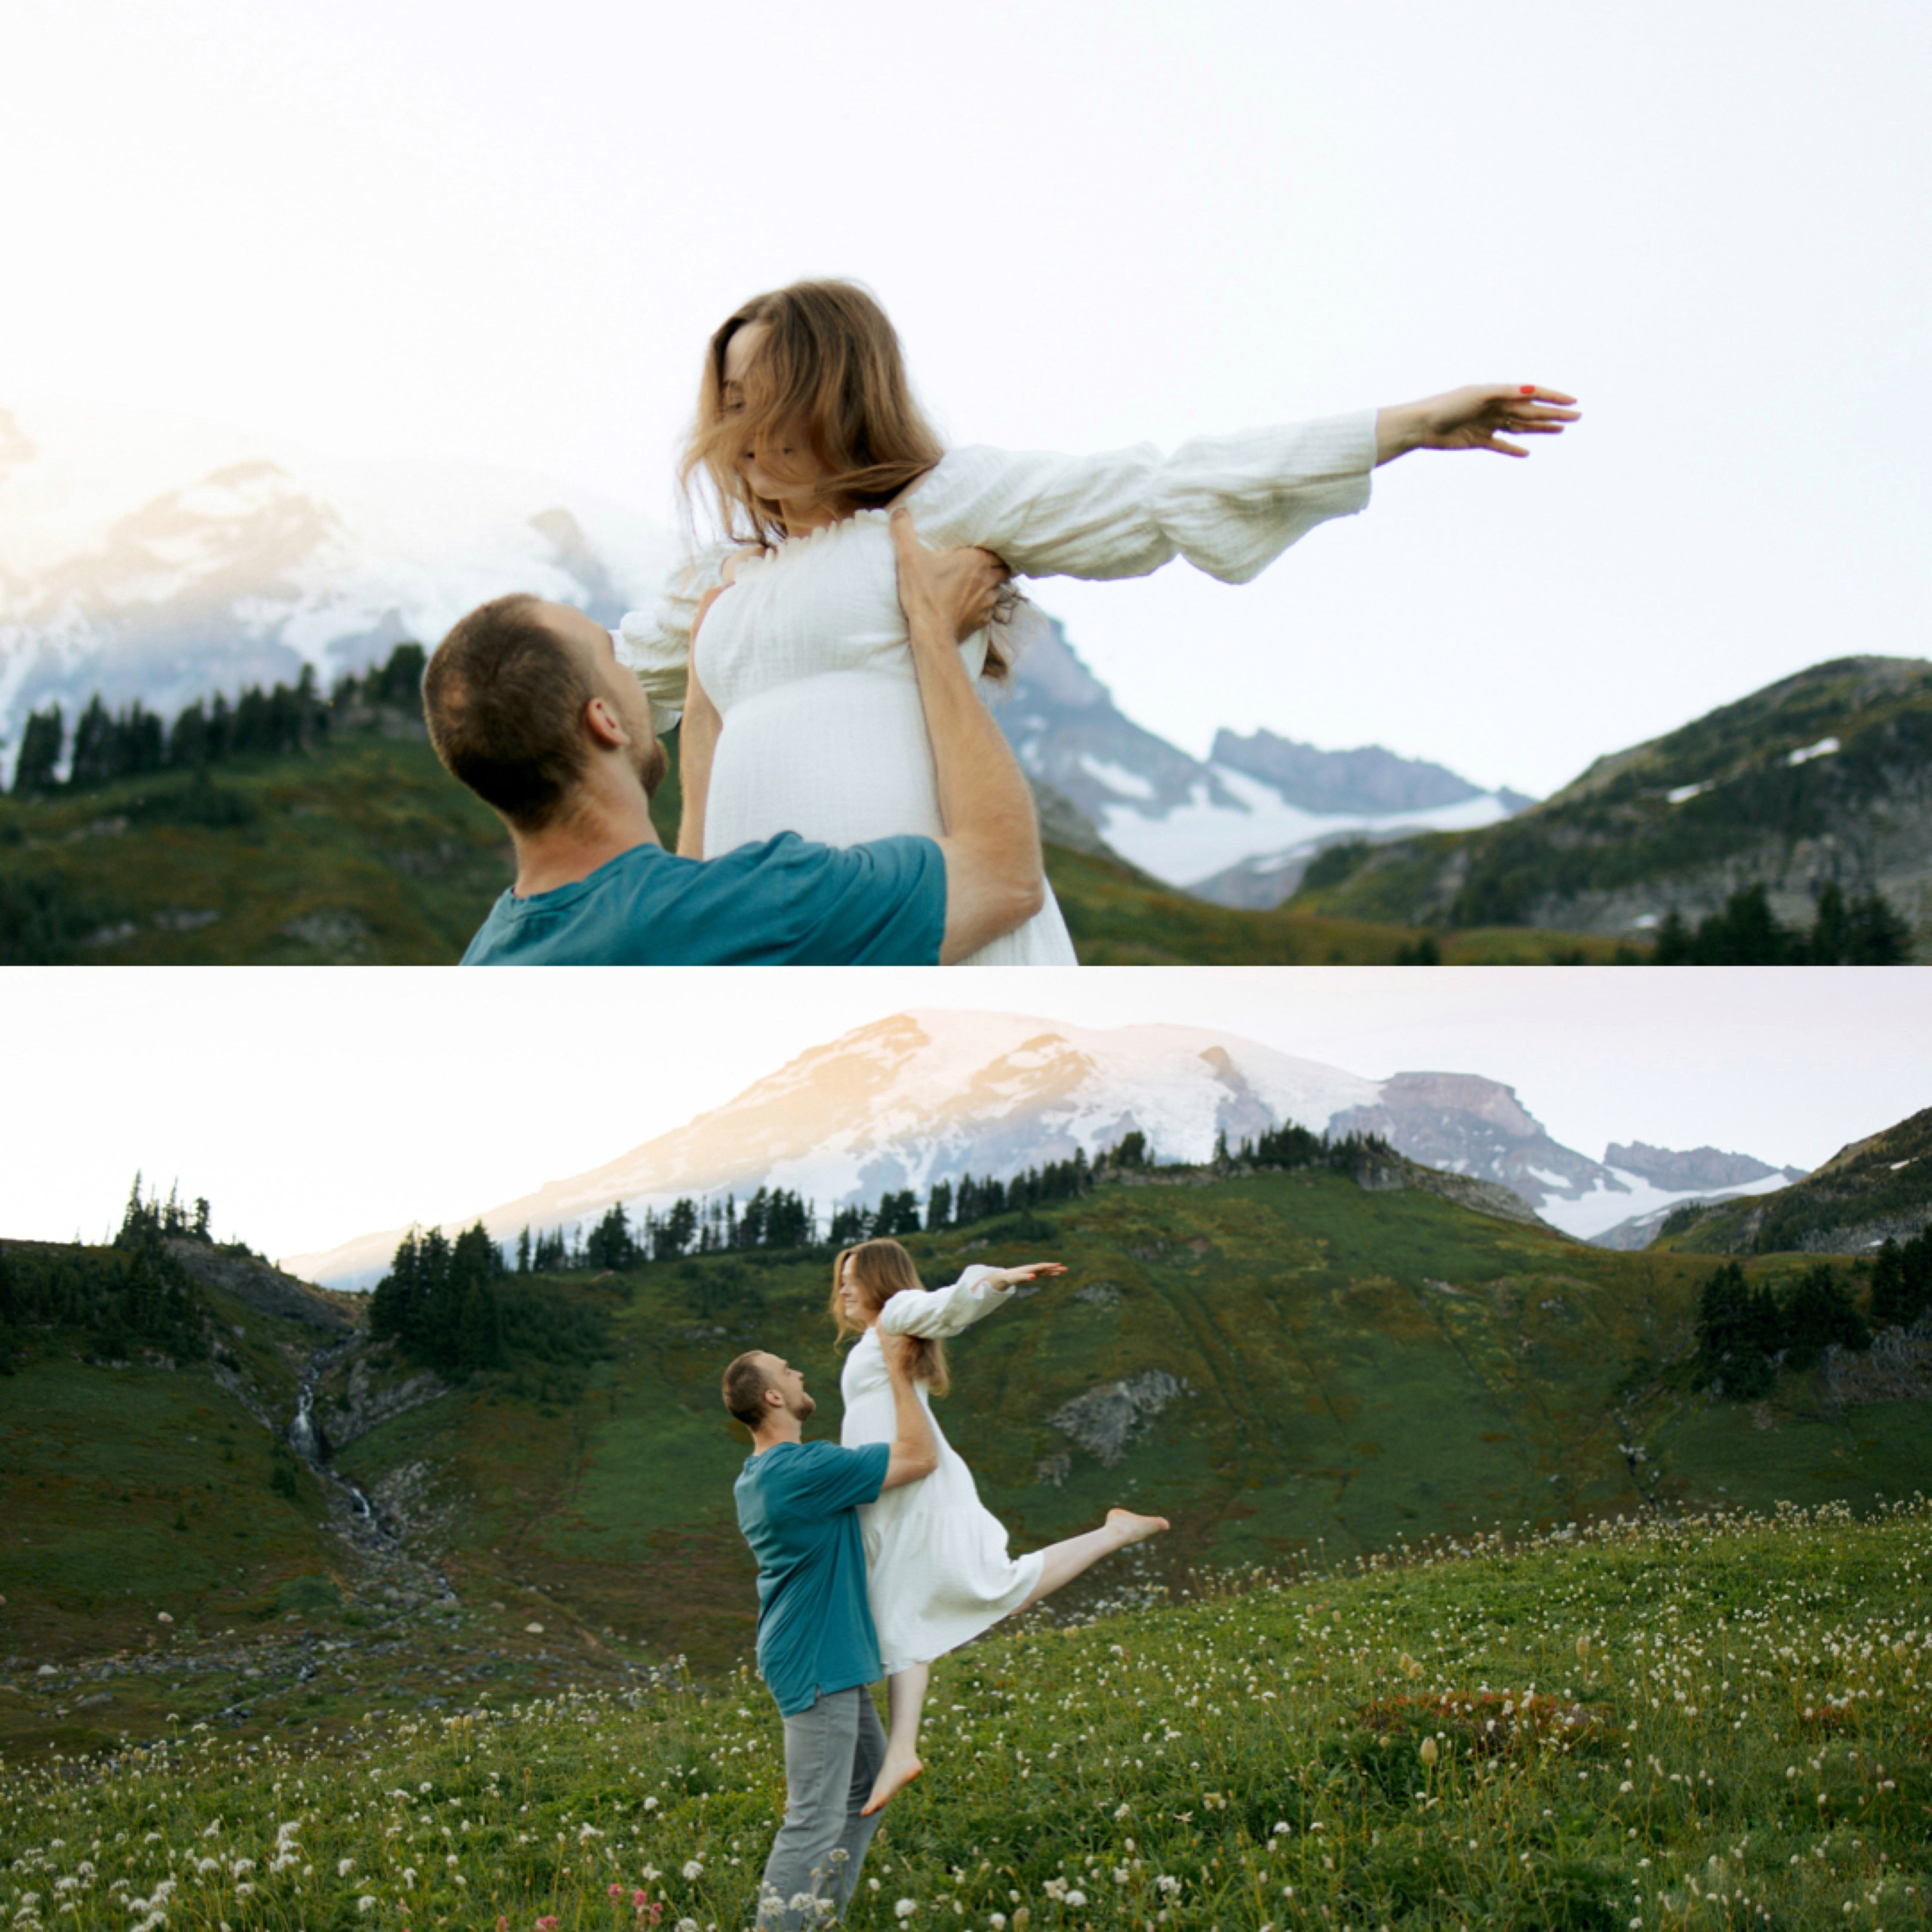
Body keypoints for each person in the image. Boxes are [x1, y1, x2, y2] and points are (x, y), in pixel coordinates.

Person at [617, 278, 1580, 964]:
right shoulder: (714, 584)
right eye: (728, 403)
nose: (735, 434)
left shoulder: (941, 506)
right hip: (761, 934)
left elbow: (1156, 487)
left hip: (925, 913)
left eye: (766, 402)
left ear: (837, 394)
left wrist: (1400, 426)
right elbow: (586, 697)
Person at [422, 509, 1043, 964]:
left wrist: (706, 695)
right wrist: (931, 630)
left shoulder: (489, 960)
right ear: (605, 720)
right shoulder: (762, 903)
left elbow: (677, 910)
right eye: (615, 658)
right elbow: (1003, 876)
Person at [831, 1238, 1171, 1814]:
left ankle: (901, 1751)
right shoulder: (874, 1336)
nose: (841, 1288)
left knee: (926, 1603)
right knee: (929, 1603)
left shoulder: (896, 1313)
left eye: (851, 1276)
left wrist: (997, 1279)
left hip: (916, 1490)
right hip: (890, 1492)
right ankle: (1113, 1533)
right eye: (838, 1278)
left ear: (881, 1281)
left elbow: (945, 1306)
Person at [723, 1340, 937, 1930]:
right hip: (815, 1655)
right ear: (773, 1397)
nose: (799, 1373)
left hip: (809, 1649)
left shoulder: (759, 1474)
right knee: (814, 1817)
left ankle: (815, 1919)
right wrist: (900, 1372)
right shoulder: (802, 1469)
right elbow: (920, 1457)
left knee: (866, 1785)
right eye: (787, 1371)